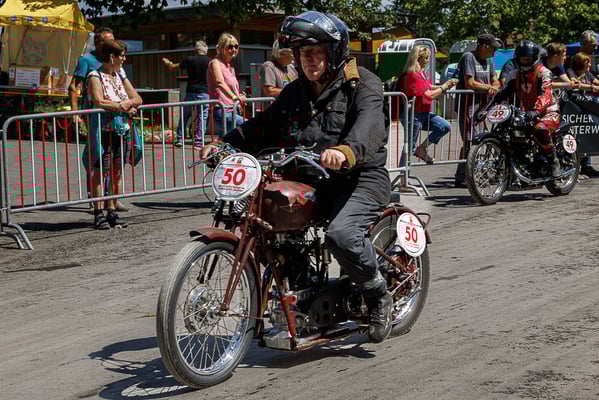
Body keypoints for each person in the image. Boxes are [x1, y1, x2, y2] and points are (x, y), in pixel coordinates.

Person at [199, 11, 394, 343]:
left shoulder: (362, 83)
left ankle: (377, 295)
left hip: (360, 178)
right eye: (303, 53)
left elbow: (369, 126)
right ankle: (302, 287)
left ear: (334, 51)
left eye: (315, 51)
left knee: (341, 235)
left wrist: (346, 151)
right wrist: (225, 144)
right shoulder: (296, 91)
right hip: (312, 179)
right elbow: (262, 127)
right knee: (265, 223)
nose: (308, 59)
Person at [84, 40, 143, 229]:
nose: (124, 59)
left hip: (121, 130)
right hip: (103, 130)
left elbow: (137, 98)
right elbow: (99, 100)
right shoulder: (95, 76)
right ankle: (98, 212)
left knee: (117, 171)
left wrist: (125, 105)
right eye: (122, 55)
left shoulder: (119, 74)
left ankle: (112, 210)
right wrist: (122, 106)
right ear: (112, 57)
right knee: (100, 171)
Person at [69, 27, 129, 213]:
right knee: (97, 156)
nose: (112, 44)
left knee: (115, 160)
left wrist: (127, 105)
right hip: (95, 116)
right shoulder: (87, 60)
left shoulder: (116, 62)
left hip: (116, 118)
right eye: (107, 41)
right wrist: (75, 113)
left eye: (113, 40)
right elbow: (74, 86)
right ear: (98, 43)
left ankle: (112, 199)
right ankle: (94, 197)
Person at [482, 40, 561, 178]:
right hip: (527, 113)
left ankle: (553, 161)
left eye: (528, 59)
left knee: (539, 129)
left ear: (534, 58)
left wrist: (536, 110)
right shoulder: (515, 74)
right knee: (512, 132)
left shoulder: (544, 72)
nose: (525, 62)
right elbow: (502, 94)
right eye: (522, 59)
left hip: (548, 112)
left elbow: (546, 94)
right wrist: (485, 109)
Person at [454, 33, 502, 187]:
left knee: (479, 140)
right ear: (484, 46)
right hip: (468, 106)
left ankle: (464, 174)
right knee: (470, 140)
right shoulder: (468, 57)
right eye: (493, 48)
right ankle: (465, 176)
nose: (495, 52)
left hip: (483, 107)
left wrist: (494, 87)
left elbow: (495, 81)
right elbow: (470, 83)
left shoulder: (489, 60)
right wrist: (489, 88)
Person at [399, 45, 456, 166]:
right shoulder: (413, 74)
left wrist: (444, 86)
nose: (428, 60)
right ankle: (402, 174)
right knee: (409, 148)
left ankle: (421, 149)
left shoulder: (420, 73)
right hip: (413, 116)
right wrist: (444, 87)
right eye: (426, 58)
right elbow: (428, 95)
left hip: (423, 114)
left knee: (444, 126)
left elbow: (428, 86)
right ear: (418, 58)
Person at [162, 40, 210, 148]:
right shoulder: (210, 62)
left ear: (196, 50)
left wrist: (168, 62)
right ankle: (199, 141)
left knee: (185, 116)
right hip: (204, 93)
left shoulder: (190, 60)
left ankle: (180, 139)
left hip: (191, 92)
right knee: (202, 117)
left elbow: (172, 67)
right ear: (206, 50)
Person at [206, 33, 246, 136]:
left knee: (229, 140)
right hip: (222, 110)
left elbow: (231, 88)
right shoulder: (215, 63)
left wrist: (239, 96)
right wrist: (234, 97)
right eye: (230, 47)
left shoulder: (230, 67)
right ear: (221, 48)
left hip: (234, 109)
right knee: (249, 125)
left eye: (236, 46)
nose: (234, 49)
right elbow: (220, 82)